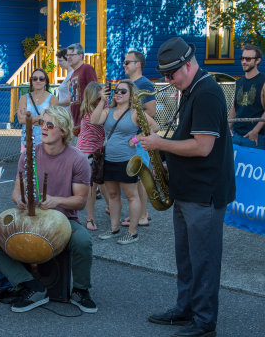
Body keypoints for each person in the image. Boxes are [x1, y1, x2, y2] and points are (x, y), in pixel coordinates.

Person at [140, 37, 235, 337]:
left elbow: (203, 147)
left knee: (203, 260)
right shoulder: (191, 88)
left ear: (189, 64)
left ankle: (204, 323)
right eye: (165, 75)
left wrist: (158, 144)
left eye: (172, 74)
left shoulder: (206, 93)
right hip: (187, 190)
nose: (168, 81)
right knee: (187, 257)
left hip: (203, 194)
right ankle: (185, 309)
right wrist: (168, 163)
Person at [0, 106, 97, 314]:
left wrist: (56, 201)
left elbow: (80, 201)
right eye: (41, 123)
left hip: (62, 219)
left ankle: (81, 290)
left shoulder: (78, 159)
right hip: (29, 217)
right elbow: (16, 191)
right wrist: (20, 200)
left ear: (63, 131)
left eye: (50, 125)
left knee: (83, 241)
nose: (43, 128)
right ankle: (30, 286)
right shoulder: (29, 154)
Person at [91, 79, 158, 244]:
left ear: (131, 95)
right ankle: (114, 228)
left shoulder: (135, 112)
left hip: (127, 161)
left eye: (123, 91)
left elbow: (154, 127)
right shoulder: (108, 110)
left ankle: (132, 232)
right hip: (108, 160)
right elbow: (94, 120)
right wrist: (102, 100)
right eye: (116, 91)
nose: (118, 94)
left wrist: (135, 139)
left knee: (131, 196)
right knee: (113, 195)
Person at [123, 50, 156, 227]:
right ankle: (138, 213)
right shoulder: (128, 84)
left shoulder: (145, 84)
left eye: (127, 62)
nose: (124, 65)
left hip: (139, 138)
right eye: (124, 62)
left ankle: (143, 214)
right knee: (133, 178)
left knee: (141, 177)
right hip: (129, 137)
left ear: (138, 64)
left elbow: (151, 112)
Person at [76, 82, 109, 230]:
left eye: (103, 97)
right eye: (99, 98)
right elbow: (101, 123)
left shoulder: (101, 107)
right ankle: (90, 218)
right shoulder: (91, 113)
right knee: (92, 186)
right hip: (87, 152)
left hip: (98, 150)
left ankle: (110, 207)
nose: (102, 100)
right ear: (92, 98)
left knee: (103, 183)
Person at [228, 43, 265, 149]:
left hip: (255, 138)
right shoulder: (238, 82)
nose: (244, 62)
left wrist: (255, 131)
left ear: (257, 60)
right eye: (242, 58)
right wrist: (228, 129)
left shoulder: (263, 81)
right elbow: (234, 108)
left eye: (248, 59)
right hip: (235, 135)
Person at [17, 68, 58, 152]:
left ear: (45, 81)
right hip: (27, 140)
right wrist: (40, 117)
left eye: (41, 79)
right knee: (27, 164)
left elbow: (52, 120)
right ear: (31, 81)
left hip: (46, 140)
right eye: (35, 78)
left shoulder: (52, 99)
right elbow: (21, 120)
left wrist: (29, 119)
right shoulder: (24, 98)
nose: (38, 81)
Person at [67, 43, 97, 129]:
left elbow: (94, 91)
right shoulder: (73, 74)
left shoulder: (87, 68)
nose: (69, 57)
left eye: (72, 55)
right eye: (67, 55)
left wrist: (88, 115)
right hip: (74, 121)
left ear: (80, 56)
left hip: (86, 121)